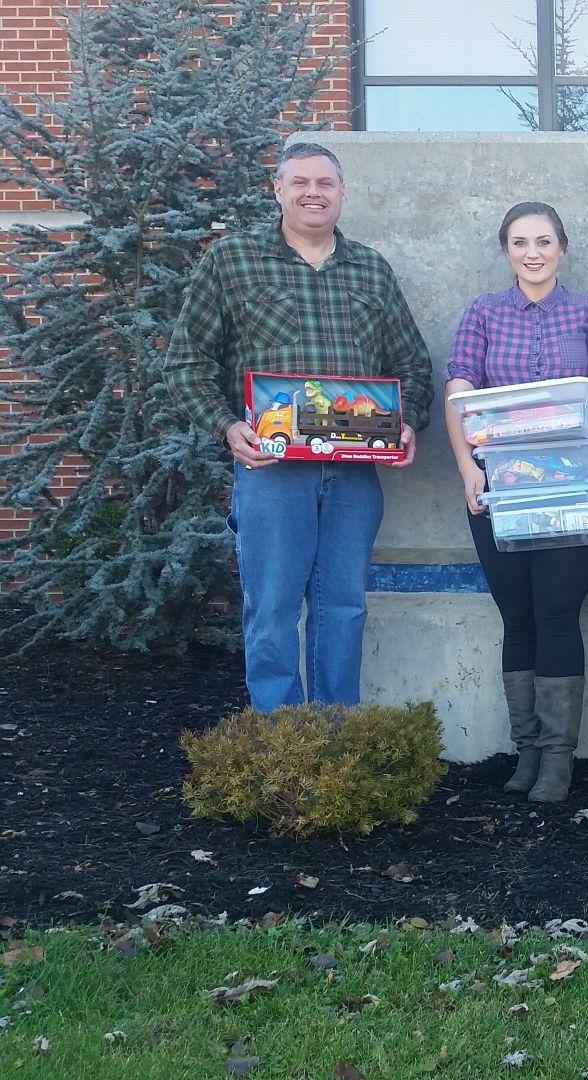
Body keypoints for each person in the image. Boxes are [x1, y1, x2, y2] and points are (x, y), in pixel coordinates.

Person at [164, 142, 433, 711]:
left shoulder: (371, 268)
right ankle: (281, 747)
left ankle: (338, 746)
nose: (315, 193)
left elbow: (411, 363)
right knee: (272, 608)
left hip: (355, 472)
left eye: (326, 183)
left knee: (344, 607)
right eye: (301, 182)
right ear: (279, 190)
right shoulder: (233, 260)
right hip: (272, 469)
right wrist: (225, 427)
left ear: (342, 193)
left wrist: (406, 424)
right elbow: (186, 362)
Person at [444, 202, 588, 803]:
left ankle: (556, 760)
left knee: (555, 615)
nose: (533, 252)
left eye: (544, 241)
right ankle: (525, 751)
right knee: (517, 617)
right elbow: (460, 392)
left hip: (575, 489)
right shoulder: (483, 312)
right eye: (520, 242)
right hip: (501, 490)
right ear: (506, 251)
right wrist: (468, 467)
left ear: (562, 248)